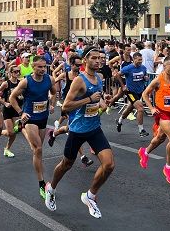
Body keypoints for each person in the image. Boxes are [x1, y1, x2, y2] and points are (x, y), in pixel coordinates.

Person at [44, 46, 114, 219]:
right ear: (85, 61)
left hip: (94, 128)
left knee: (109, 165)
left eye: (100, 58)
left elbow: (99, 99)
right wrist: (89, 99)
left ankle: (89, 196)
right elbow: (66, 106)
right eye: (94, 58)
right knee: (66, 164)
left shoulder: (99, 78)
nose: (98, 61)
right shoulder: (79, 80)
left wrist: (104, 103)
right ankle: (51, 188)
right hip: (77, 129)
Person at [8, 55, 57, 199]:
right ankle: (41, 183)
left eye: (44, 67)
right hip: (29, 118)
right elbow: (12, 97)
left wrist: (52, 103)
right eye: (39, 67)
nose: (42, 69)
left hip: (43, 117)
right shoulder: (26, 81)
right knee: (38, 149)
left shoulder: (49, 79)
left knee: (37, 150)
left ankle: (20, 128)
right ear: (33, 67)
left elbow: (54, 92)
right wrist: (20, 112)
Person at [138, 56, 170, 184]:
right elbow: (145, 94)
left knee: (160, 139)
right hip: (161, 113)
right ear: (164, 66)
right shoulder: (158, 80)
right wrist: (152, 108)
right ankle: (168, 167)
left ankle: (145, 152)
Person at [113, 52, 150, 137]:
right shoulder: (128, 68)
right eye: (139, 60)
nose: (140, 61)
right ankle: (141, 130)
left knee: (130, 109)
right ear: (134, 59)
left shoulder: (143, 68)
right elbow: (117, 75)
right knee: (140, 108)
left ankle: (119, 121)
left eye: (141, 60)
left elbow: (145, 77)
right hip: (130, 91)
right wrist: (123, 86)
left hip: (139, 91)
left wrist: (146, 78)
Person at [0, 65, 23, 158]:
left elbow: (23, 95)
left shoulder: (21, 83)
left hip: (16, 109)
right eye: (15, 72)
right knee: (10, 132)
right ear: (11, 73)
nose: (17, 73)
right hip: (7, 110)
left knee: (15, 131)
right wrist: (4, 103)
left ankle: (7, 149)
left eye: (18, 71)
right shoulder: (6, 83)